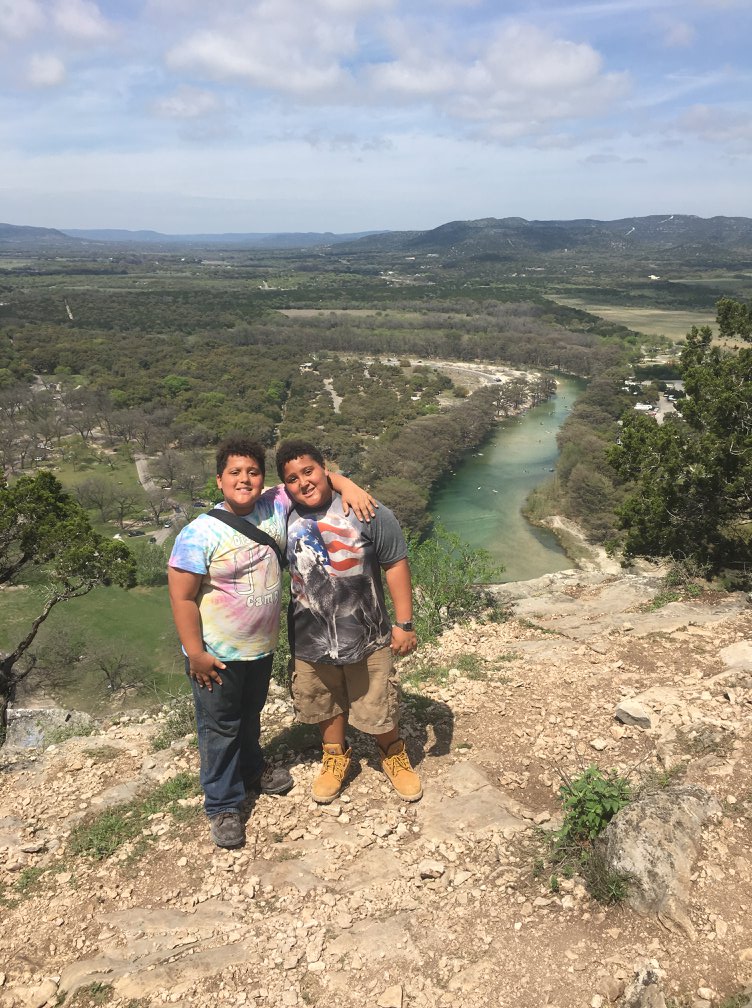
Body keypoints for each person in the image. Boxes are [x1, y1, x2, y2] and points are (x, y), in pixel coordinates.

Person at [167, 434, 375, 849]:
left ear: (262, 480)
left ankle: (252, 769)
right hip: (216, 655)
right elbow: (182, 596)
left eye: (252, 472)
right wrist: (196, 654)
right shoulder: (198, 533)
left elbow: (312, 477)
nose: (244, 479)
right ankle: (223, 804)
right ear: (219, 481)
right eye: (234, 473)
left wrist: (348, 484)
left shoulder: (274, 504)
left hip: (260, 648)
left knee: (249, 716)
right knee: (219, 727)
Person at [276, 438, 422, 805]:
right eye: (292, 478)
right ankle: (335, 757)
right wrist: (342, 480)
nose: (303, 482)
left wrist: (404, 623)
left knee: (376, 699)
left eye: (309, 471)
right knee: (323, 700)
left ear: (325, 467)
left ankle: (392, 754)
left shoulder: (365, 509)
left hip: (368, 633)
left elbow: (395, 562)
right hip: (310, 636)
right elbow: (247, 493)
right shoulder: (282, 513)